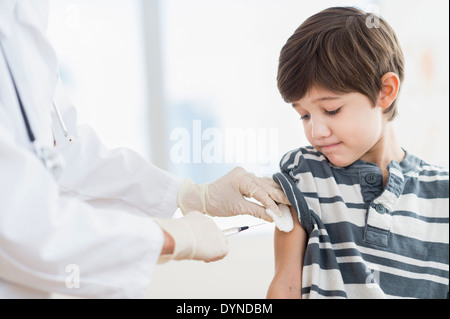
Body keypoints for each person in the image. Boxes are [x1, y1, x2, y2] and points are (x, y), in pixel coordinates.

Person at [0, 1, 289, 298]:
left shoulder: (24, 21)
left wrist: (191, 196)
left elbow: (63, 156)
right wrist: (171, 238)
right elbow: (20, 227)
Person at [266, 7, 449, 299]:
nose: (316, 131)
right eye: (304, 115)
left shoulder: (443, 194)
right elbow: (284, 286)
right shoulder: (304, 175)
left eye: (331, 110)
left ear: (385, 91)